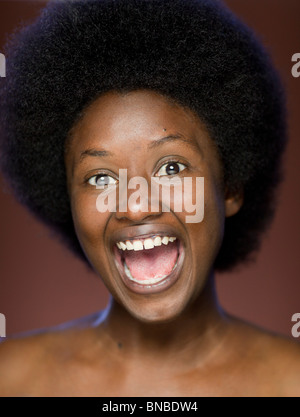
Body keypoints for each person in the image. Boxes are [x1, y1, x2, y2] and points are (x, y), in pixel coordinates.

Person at [0, 0, 299, 397]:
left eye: (171, 168)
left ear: (230, 188)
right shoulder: (11, 378)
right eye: (101, 177)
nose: (136, 206)